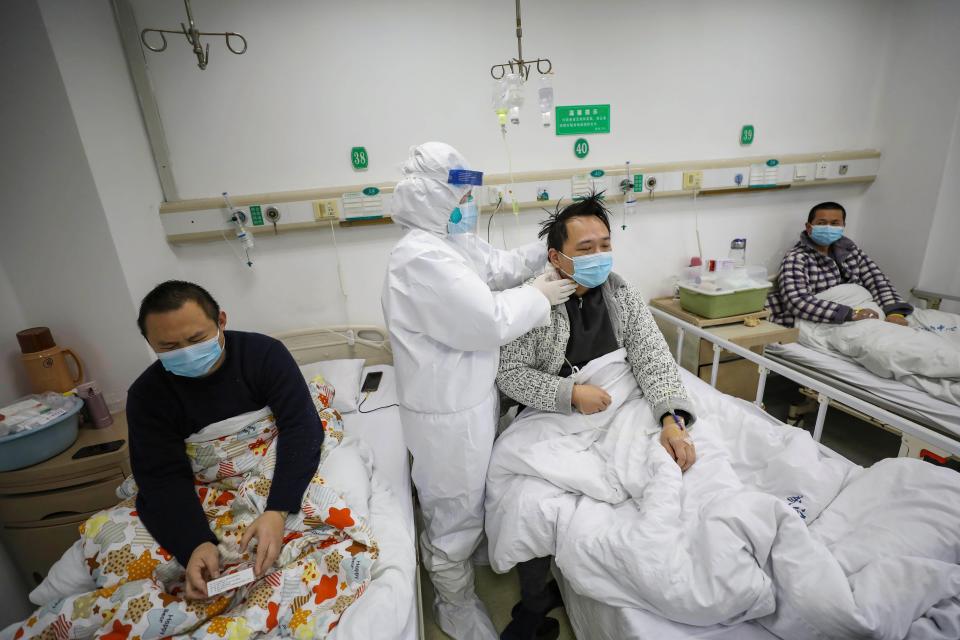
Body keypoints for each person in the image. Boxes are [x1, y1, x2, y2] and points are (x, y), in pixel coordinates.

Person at [381, 142, 576, 640]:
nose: (470, 203)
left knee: (476, 492)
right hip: (443, 412)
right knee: (452, 510)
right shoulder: (418, 258)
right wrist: (540, 294)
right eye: (461, 194)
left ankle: (474, 552)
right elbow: (487, 321)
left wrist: (554, 243)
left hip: (470, 397)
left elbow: (499, 266)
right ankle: (455, 603)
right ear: (430, 197)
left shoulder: (450, 242)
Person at [495, 194, 698, 640]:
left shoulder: (621, 293)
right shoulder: (532, 302)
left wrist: (670, 419)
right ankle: (532, 604)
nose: (598, 256)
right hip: (557, 412)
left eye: (604, 245)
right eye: (585, 249)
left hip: (625, 400)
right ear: (557, 256)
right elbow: (509, 376)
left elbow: (654, 360)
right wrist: (569, 393)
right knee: (526, 497)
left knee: (672, 466)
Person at [127, 281, 323, 600]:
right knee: (122, 550)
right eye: (169, 347)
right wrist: (194, 543)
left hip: (272, 463)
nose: (186, 353)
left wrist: (277, 510)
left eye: (195, 339)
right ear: (150, 343)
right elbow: (160, 476)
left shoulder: (264, 355)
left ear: (221, 321)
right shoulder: (146, 396)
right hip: (204, 482)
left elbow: (302, 428)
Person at [767, 201, 913, 327]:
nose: (828, 228)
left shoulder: (851, 251)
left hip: (866, 310)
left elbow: (877, 281)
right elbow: (797, 302)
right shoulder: (797, 258)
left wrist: (895, 313)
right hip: (829, 318)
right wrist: (850, 313)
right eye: (822, 223)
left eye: (835, 223)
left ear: (843, 226)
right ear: (809, 227)